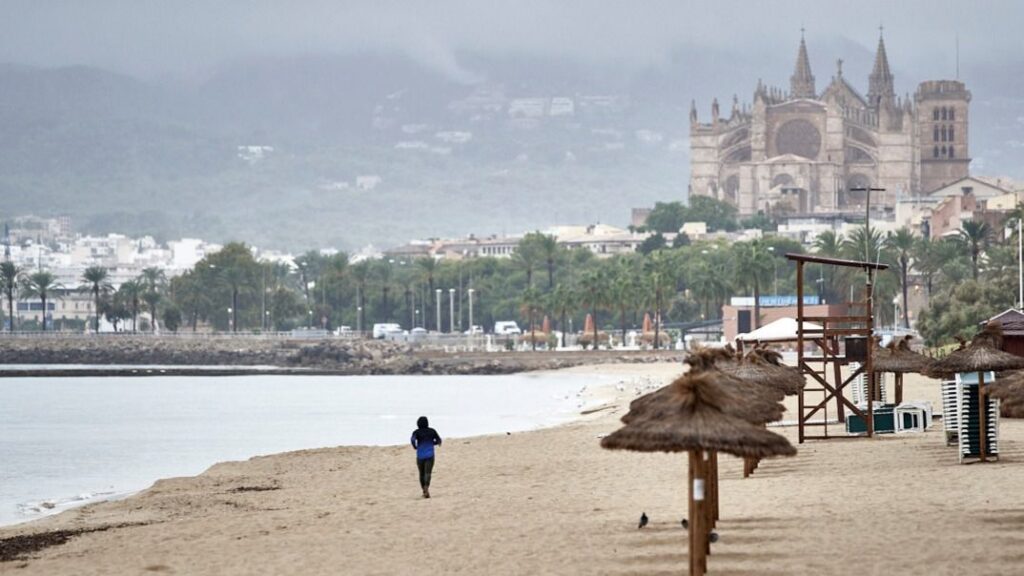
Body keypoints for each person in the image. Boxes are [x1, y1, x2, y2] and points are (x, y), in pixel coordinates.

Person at [410, 416, 442, 498]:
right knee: (428, 473)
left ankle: (424, 490)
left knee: (421, 473)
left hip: (420, 455)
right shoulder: (432, 431)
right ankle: (426, 488)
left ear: (418, 424)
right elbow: (439, 440)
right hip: (430, 455)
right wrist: (433, 443)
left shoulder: (416, 432)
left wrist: (415, 446)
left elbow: (413, 440)